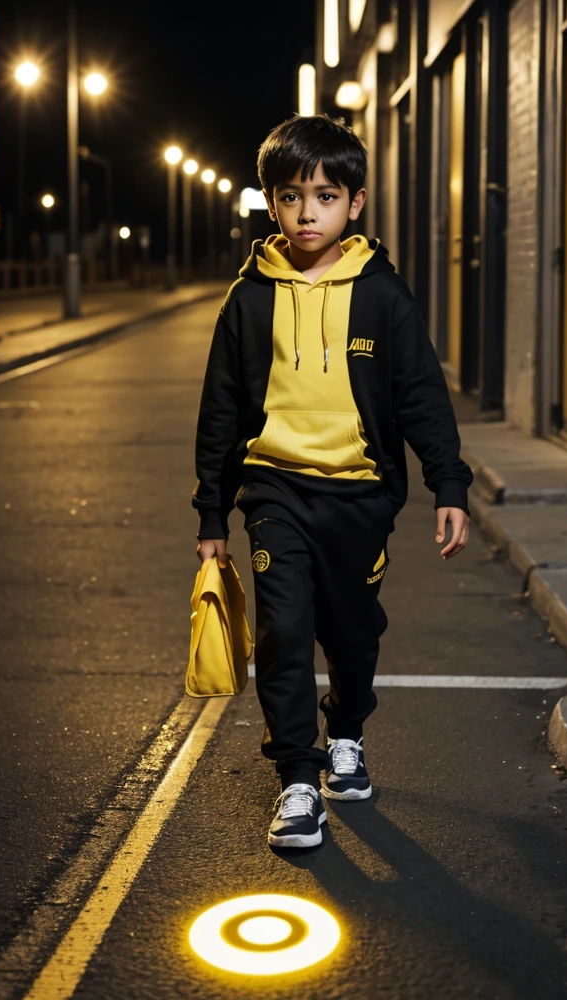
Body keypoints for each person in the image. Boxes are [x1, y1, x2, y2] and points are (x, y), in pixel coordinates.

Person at [192, 114, 473, 849]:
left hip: (360, 498)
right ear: (271, 204)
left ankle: (345, 731)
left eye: (324, 195)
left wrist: (450, 486)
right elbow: (220, 411)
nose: (306, 211)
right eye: (290, 197)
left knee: (351, 634)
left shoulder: (383, 295)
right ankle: (295, 779)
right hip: (276, 492)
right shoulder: (249, 299)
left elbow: (420, 396)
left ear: (355, 202)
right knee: (283, 631)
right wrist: (212, 516)